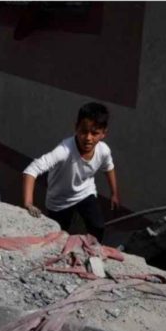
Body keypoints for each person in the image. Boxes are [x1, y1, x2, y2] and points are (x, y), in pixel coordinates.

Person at [22, 102, 119, 241]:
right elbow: (31, 170)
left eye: (95, 133)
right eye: (84, 131)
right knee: (59, 236)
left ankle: (93, 252)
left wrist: (114, 193)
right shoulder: (64, 151)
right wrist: (28, 203)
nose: (88, 138)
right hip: (59, 200)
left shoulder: (103, 151)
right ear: (76, 128)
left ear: (103, 133)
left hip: (85, 193)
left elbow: (109, 167)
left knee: (98, 226)